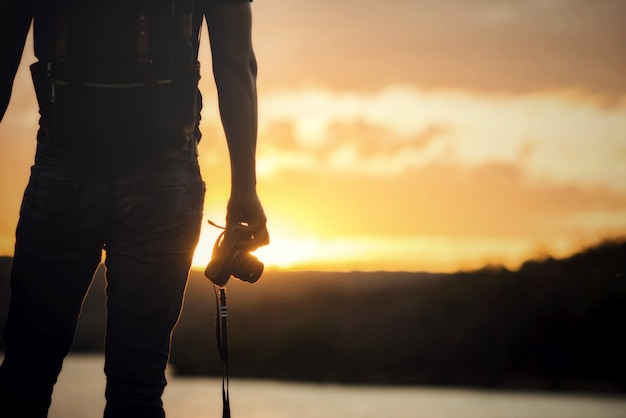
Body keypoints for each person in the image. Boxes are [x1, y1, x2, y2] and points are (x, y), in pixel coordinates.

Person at [0, 0, 269, 416]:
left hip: (64, 168)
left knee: (25, 373)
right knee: (138, 387)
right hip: (163, 178)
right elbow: (236, 67)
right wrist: (245, 191)